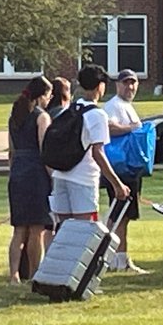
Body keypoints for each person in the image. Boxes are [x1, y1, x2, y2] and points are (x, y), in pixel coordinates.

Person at [50, 65, 128, 227]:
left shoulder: (70, 109)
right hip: (83, 179)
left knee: (63, 230)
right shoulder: (97, 115)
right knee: (84, 230)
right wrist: (117, 184)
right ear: (100, 86)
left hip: (61, 175)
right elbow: (97, 153)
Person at [102, 68, 148, 274]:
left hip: (130, 168)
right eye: (126, 83)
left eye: (133, 83)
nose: (130, 87)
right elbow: (108, 127)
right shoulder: (113, 105)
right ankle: (117, 259)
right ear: (117, 85)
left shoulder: (126, 105)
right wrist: (131, 128)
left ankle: (118, 257)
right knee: (119, 214)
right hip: (119, 168)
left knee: (125, 214)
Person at [6, 76, 52, 283]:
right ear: (42, 95)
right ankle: (35, 273)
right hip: (35, 171)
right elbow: (45, 149)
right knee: (37, 229)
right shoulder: (41, 117)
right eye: (49, 96)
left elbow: (12, 151)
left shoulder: (15, 115)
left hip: (17, 171)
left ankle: (14, 274)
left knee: (19, 230)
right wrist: (52, 176)